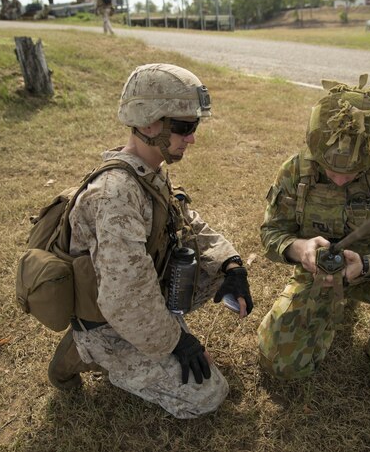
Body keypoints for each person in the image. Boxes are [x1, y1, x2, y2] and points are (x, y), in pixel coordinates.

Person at [47, 63, 254, 419]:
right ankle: (85, 351)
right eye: (184, 127)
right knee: (206, 396)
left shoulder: (149, 172)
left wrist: (231, 264)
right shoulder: (115, 195)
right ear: (148, 124)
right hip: (109, 318)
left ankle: (152, 333)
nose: (192, 138)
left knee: (220, 273)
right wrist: (177, 341)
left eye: (194, 126)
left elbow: (189, 223)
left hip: (137, 294)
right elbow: (124, 296)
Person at [257, 76, 370, 397]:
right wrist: (301, 249)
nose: (340, 179)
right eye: (330, 169)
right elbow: (271, 233)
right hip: (318, 276)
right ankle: (325, 314)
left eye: (353, 172)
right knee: (281, 366)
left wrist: (367, 265)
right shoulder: (295, 170)